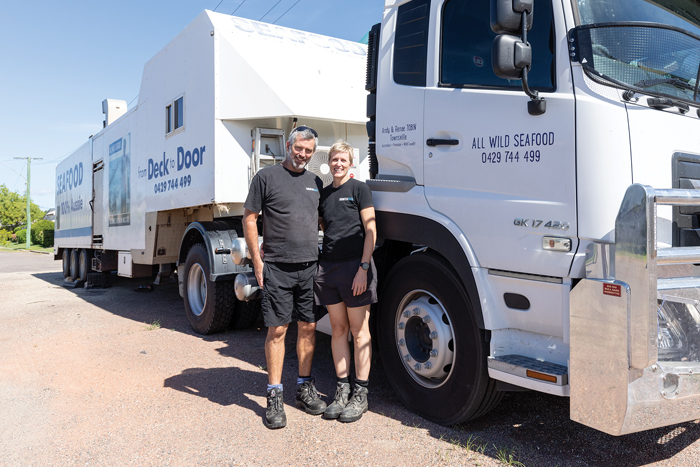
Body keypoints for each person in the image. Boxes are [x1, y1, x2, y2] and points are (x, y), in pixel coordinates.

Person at [242, 126, 326, 429]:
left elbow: (322, 221)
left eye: (308, 151)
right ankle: (274, 395)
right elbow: (249, 218)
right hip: (277, 266)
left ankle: (304, 387)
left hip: (309, 268)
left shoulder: (316, 181)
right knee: (277, 331)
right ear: (288, 146)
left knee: (308, 327)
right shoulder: (266, 177)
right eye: (297, 148)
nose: (302, 154)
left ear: (313, 153)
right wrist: (257, 260)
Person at [314, 140, 377, 423]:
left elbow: (371, 230)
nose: (338, 164)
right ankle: (342, 390)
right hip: (328, 270)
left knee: (358, 330)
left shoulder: (360, 189)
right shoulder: (324, 195)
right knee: (338, 329)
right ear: (329, 162)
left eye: (344, 160)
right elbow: (326, 230)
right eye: (334, 159)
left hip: (355, 269)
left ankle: (360, 394)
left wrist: (363, 268)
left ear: (350, 163)